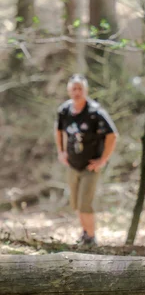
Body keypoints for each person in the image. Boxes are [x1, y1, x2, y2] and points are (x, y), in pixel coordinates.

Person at [55, 74, 118, 246]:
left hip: (90, 166)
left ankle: (91, 238)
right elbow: (59, 130)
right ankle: (85, 233)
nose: (77, 92)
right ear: (69, 91)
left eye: (80, 89)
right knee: (75, 203)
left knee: (85, 203)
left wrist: (103, 159)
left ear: (86, 90)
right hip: (72, 164)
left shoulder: (95, 112)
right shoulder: (64, 111)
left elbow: (112, 135)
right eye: (73, 89)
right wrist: (61, 151)